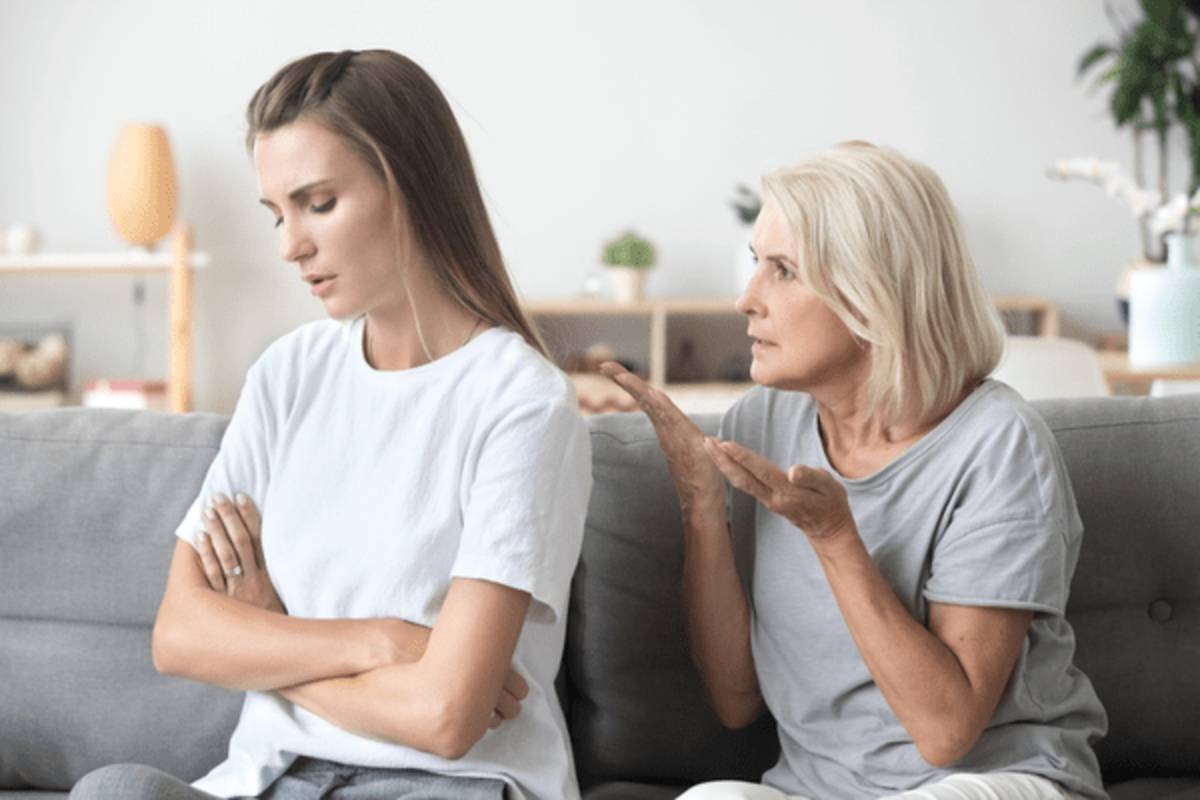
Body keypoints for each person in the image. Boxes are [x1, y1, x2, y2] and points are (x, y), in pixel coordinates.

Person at [69, 49, 592, 800]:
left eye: (318, 203)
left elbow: (446, 717)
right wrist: (382, 642)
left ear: (411, 184)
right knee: (114, 790)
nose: (290, 246)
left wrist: (267, 636)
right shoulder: (288, 373)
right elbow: (179, 636)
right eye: (277, 214)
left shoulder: (522, 401)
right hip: (271, 777)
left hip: (450, 785)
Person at [602, 142, 1107, 800]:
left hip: (988, 780)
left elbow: (946, 733)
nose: (747, 299)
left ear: (873, 294)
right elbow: (735, 701)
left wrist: (834, 536)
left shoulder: (999, 445)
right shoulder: (761, 423)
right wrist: (701, 505)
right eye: (756, 263)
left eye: (784, 270)